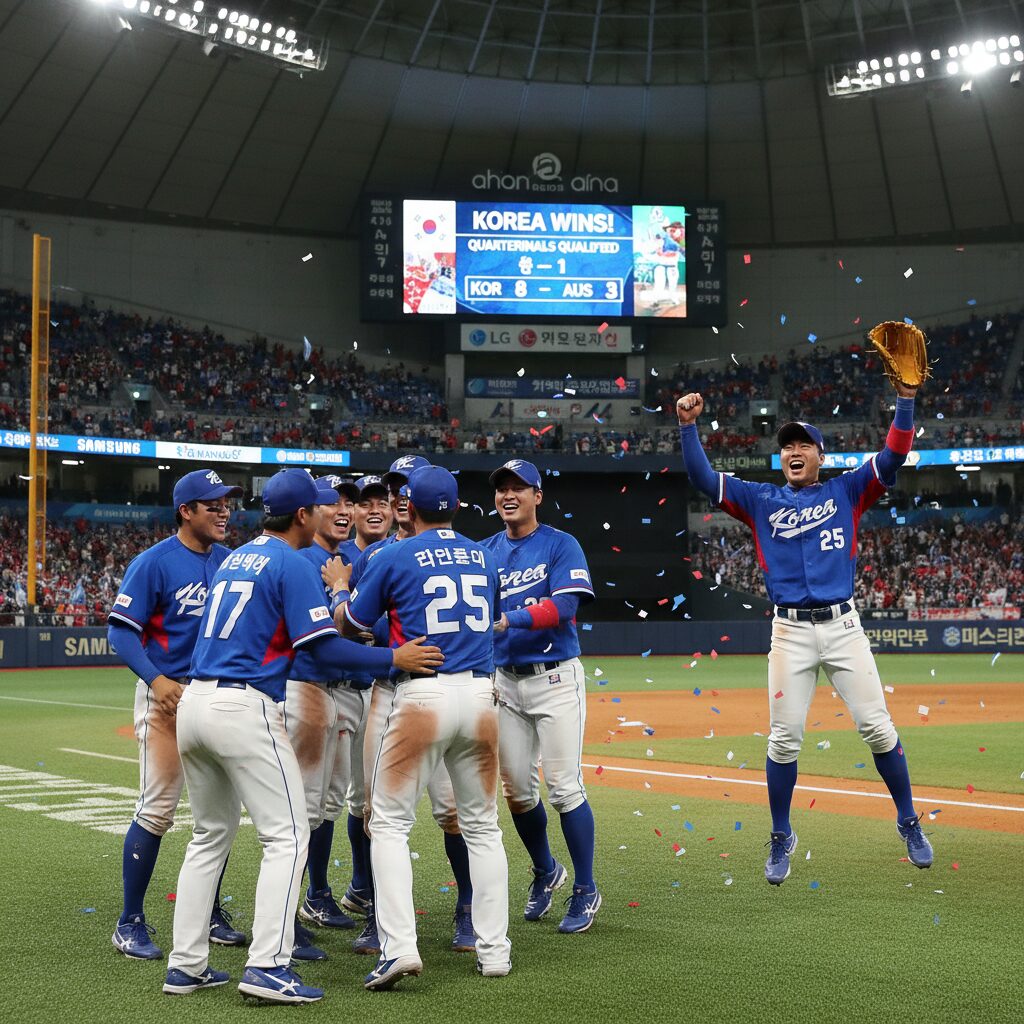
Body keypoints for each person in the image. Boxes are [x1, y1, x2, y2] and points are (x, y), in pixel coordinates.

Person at [162, 469, 443, 1003]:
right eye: (318, 505)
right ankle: (267, 964)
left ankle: (187, 964)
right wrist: (392, 656)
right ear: (301, 516)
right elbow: (320, 649)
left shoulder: (235, 558)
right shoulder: (290, 562)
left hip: (196, 701)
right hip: (243, 704)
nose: (326, 512)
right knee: (288, 836)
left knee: (208, 836)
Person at [676, 381, 934, 885]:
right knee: (783, 739)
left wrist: (905, 400)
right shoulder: (759, 498)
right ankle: (780, 834)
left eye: (803, 445)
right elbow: (704, 478)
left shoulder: (847, 490)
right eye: (787, 446)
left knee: (877, 727)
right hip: (790, 632)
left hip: (843, 626)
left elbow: (895, 452)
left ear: (820, 454)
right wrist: (687, 427)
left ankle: (908, 820)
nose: (793, 451)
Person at [336, 465, 511, 990]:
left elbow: (353, 624)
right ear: (455, 507)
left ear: (408, 505)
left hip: (422, 693)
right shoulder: (484, 556)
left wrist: (342, 590)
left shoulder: (393, 555)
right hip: (481, 695)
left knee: (387, 823)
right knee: (482, 827)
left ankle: (400, 947)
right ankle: (495, 950)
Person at [107, 468, 246, 960]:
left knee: (219, 816)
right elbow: (122, 631)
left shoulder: (231, 561)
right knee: (159, 808)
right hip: (166, 696)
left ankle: (207, 912)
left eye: (227, 503)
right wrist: (156, 679)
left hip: (215, 699)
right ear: (185, 511)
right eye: (213, 504)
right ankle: (130, 921)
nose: (224, 510)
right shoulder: (155, 563)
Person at [481, 459, 600, 933]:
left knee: (565, 787)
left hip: (555, 679)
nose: (508, 496)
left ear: (537, 496)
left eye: (519, 488)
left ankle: (586, 889)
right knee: (516, 790)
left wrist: (513, 619)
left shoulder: (559, 544)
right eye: (501, 489)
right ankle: (546, 871)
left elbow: (567, 603)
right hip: (505, 682)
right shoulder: (485, 551)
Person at [282, 475, 364, 962]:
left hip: (345, 692)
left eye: (347, 501)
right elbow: (331, 634)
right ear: (307, 511)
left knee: (328, 803)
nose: (341, 508)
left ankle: (313, 896)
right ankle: (285, 915)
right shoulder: (301, 560)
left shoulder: (350, 559)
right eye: (330, 501)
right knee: (301, 808)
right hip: (309, 689)